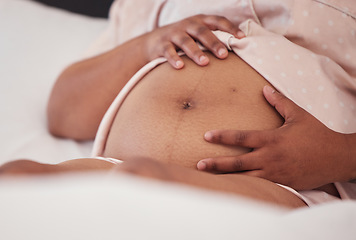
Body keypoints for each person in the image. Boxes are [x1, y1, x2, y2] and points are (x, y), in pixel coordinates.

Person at [1, 0, 356, 208]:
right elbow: (63, 114)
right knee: (16, 177)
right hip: (114, 166)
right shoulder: (143, 7)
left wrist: (341, 154)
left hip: (281, 188)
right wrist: (146, 45)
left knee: (143, 184)